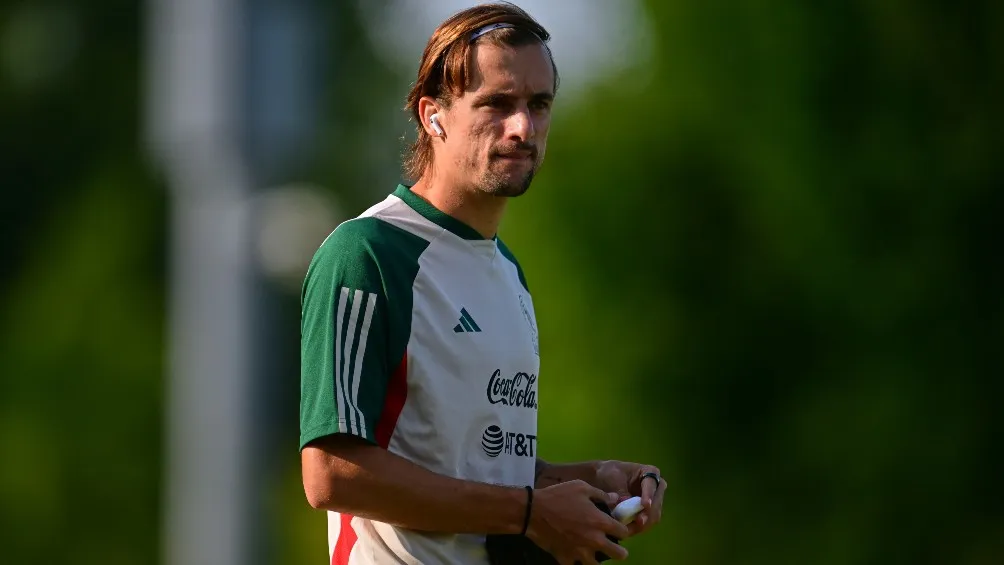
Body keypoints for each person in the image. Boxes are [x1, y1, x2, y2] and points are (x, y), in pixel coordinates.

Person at [299, 3, 665, 564]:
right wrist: (529, 513)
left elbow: (478, 472)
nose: (522, 127)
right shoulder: (369, 253)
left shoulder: (508, 272)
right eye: (496, 103)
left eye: (538, 105)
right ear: (433, 115)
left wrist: (591, 481)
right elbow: (331, 473)